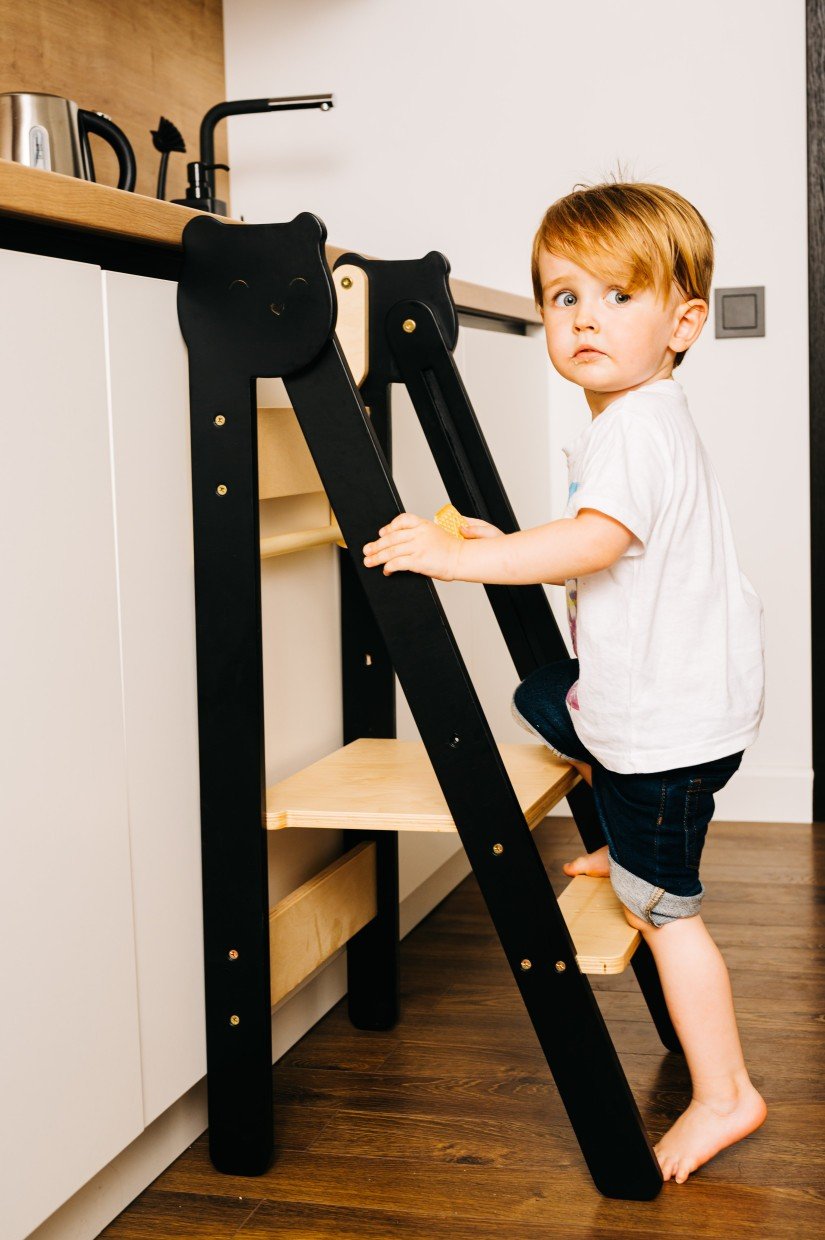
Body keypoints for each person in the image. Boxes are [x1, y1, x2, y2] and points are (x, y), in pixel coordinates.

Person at [361, 180, 767, 1185]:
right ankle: (624, 836)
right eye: (563, 296)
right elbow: (606, 551)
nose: (585, 317)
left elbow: (596, 538)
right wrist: (506, 541)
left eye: (619, 296)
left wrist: (458, 562)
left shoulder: (635, 425)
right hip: (665, 706)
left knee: (665, 910)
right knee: (548, 696)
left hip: (668, 726)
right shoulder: (640, 415)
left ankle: (726, 1093)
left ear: (682, 323)